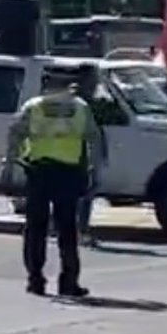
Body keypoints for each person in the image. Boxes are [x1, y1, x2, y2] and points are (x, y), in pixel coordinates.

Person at [1, 68, 102, 297]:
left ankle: (35, 280)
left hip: (39, 172)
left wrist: (8, 164)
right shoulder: (80, 107)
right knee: (67, 228)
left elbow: (15, 134)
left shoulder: (33, 106)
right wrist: (94, 171)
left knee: (35, 228)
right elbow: (94, 139)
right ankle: (69, 282)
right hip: (68, 173)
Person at [73, 64, 109, 248]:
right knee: (82, 195)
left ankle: (78, 230)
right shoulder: (79, 102)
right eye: (94, 78)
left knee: (85, 194)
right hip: (79, 154)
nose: (96, 83)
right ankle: (80, 231)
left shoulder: (92, 101)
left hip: (90, 153)